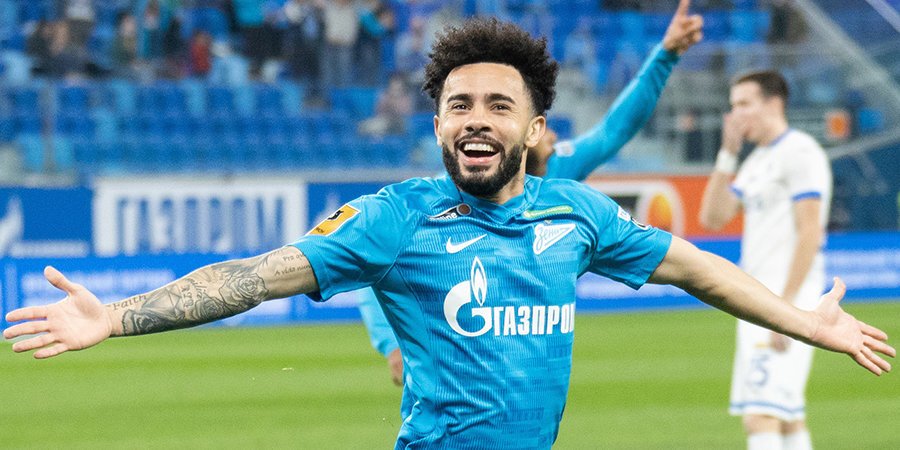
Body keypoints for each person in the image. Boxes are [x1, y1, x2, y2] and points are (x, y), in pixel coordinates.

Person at [4, 18, 893, 450]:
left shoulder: (575, 214)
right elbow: (254, 276)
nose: (475, 118)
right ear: (437, 123)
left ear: (533, 129)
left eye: (498, 105)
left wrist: (801, 322)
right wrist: (115, 316)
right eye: (458, 104)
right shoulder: (397, 217)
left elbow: (697, 268)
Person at [362, 0, 705, 388]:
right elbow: (374, 260)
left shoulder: (558, 174)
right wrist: (391, 343)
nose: (555, 137)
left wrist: (666, 54)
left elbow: (616, 129)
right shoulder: (448, 194)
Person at [698, 70, 835, 450]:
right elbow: (712, 217)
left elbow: (810, 232)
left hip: (786, 297)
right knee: (787, 416)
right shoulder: (757, 160)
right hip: (759, 296)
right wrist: (727, 153)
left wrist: (785, 308)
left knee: (760, 416)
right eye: (732, 106)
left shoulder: (800, 152)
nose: (735, 114)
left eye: (744, 104)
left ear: (773, 104)